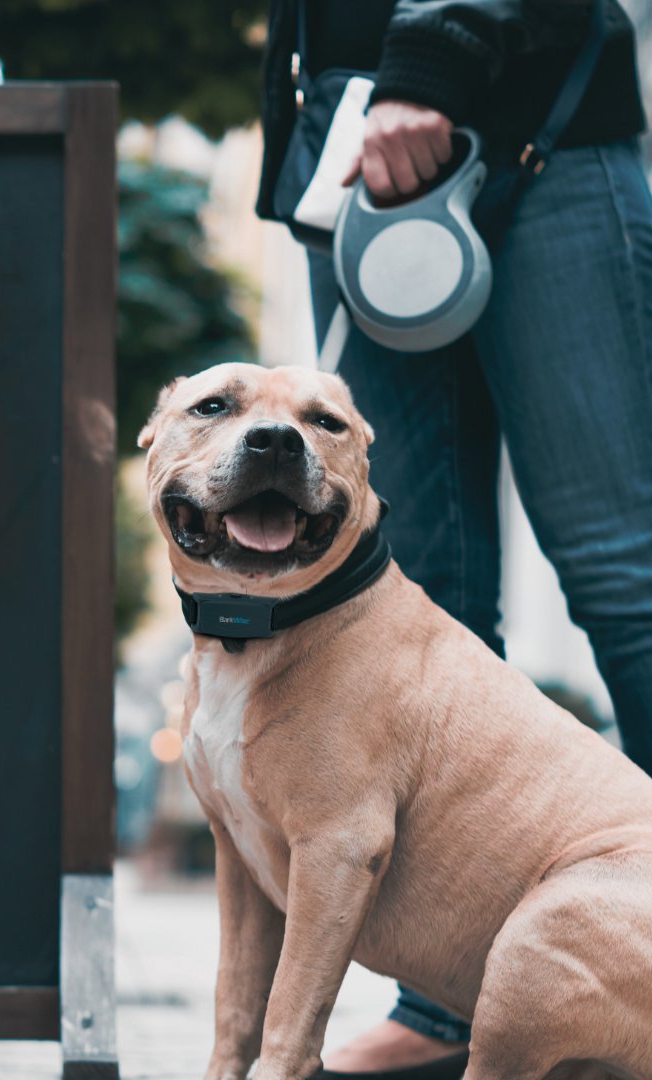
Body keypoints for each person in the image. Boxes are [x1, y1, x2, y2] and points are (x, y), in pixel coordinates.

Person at [256, 1, 652, 1076]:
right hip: (352, 145)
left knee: (624, 573)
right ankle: (449, 1005)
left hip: (533, 127)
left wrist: (431, 62)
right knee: (423, 597)